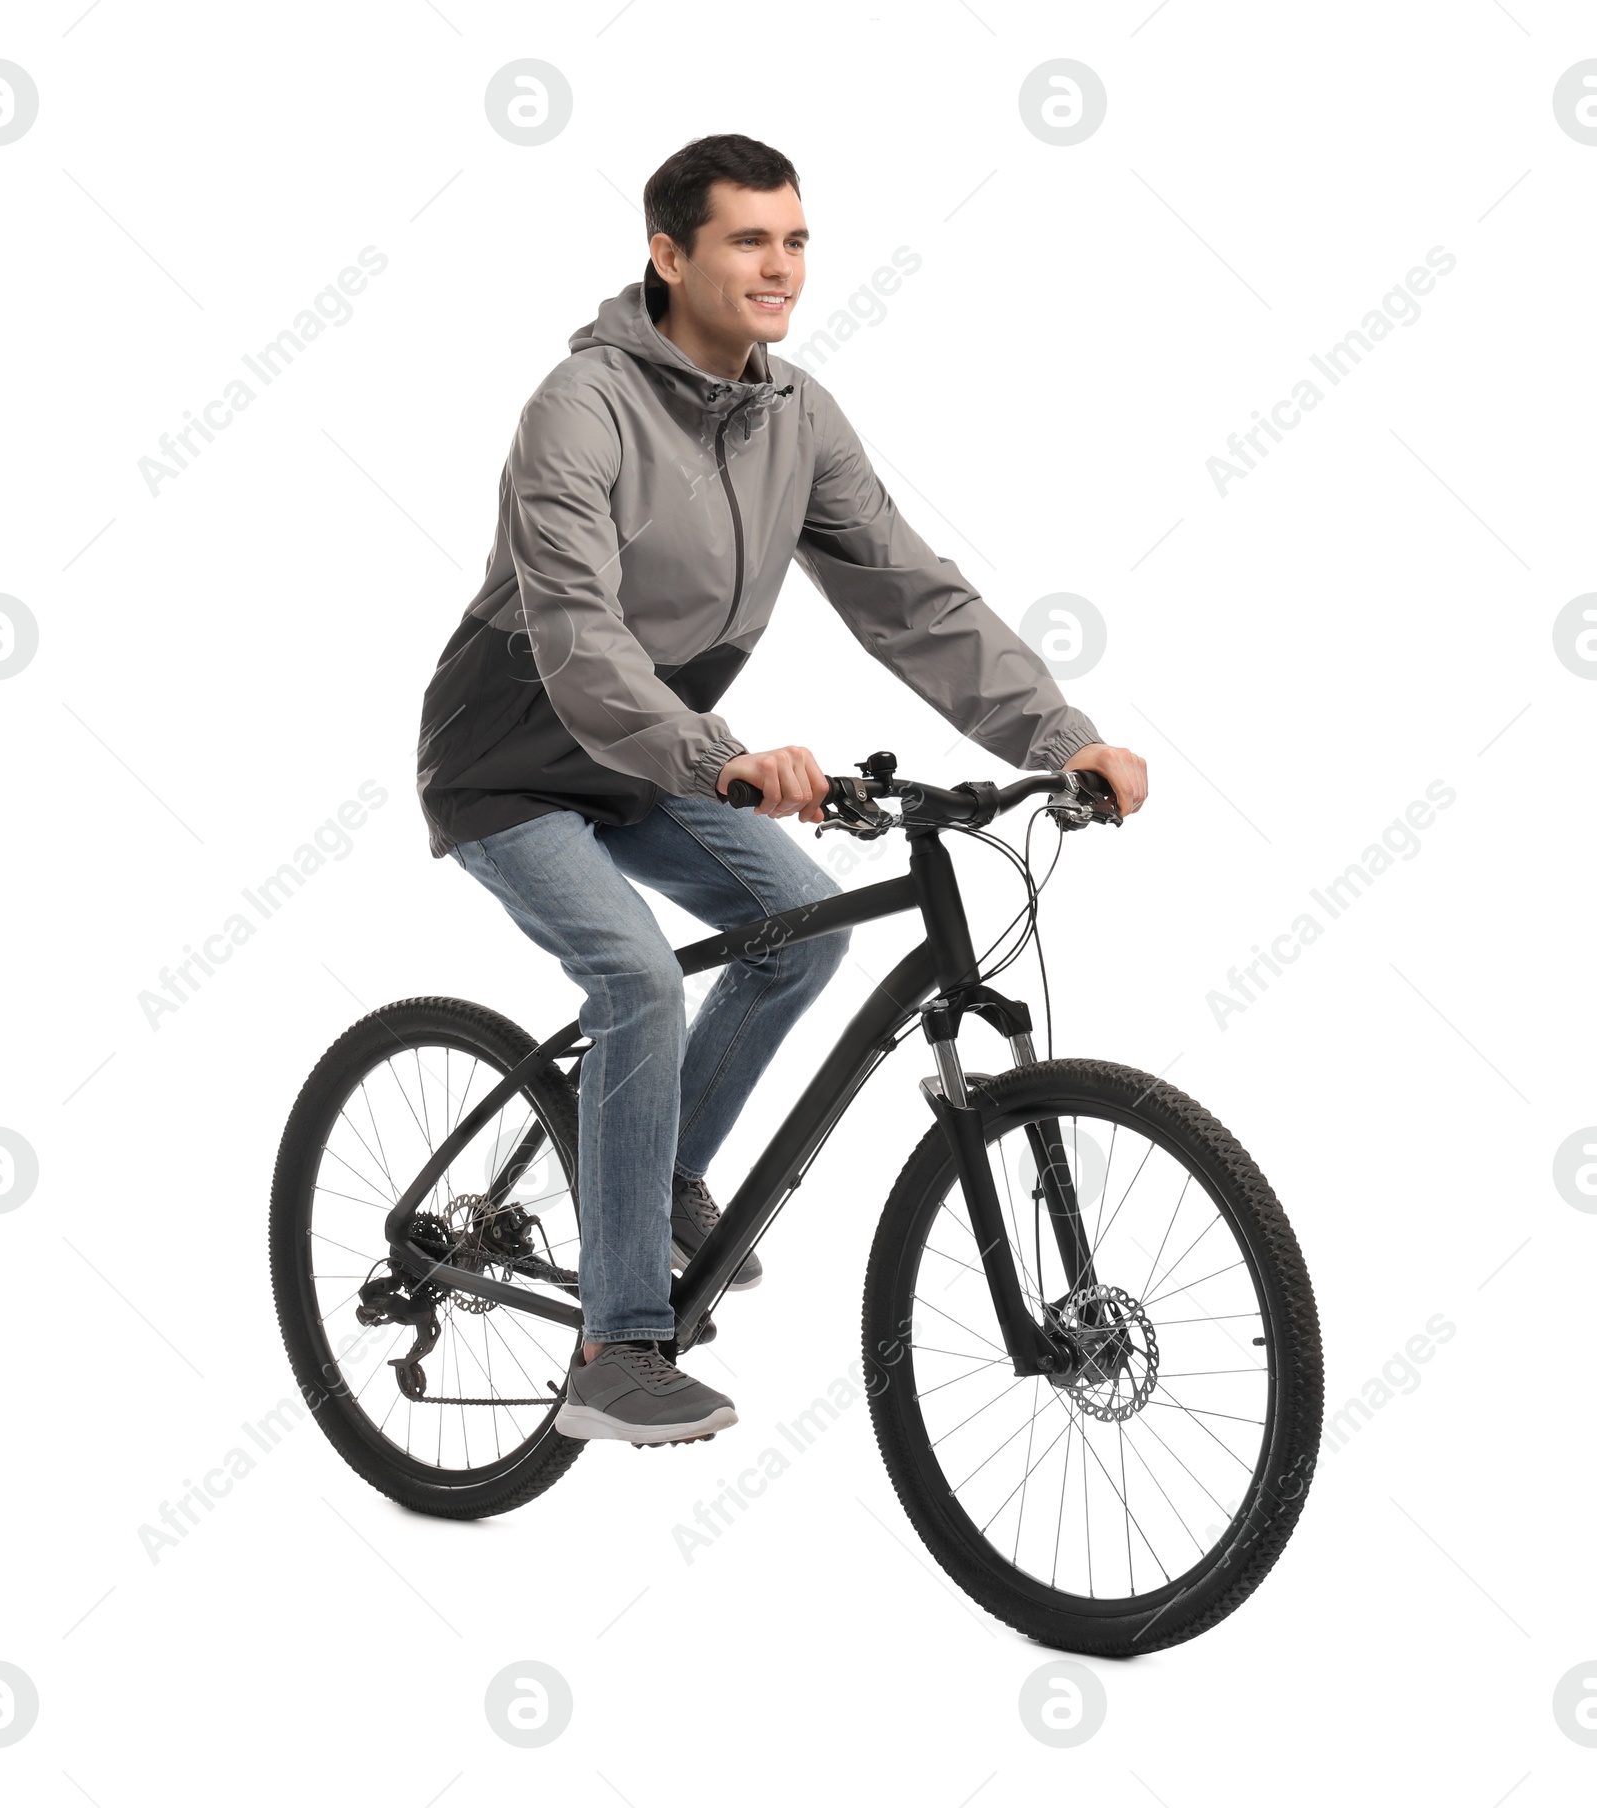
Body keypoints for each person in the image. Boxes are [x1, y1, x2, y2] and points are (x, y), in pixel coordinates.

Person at [415, 133, 1148, 1447]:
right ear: (669, 254)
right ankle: (617, 1347)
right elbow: (580, 641)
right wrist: (723, 758)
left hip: (659, 752)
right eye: (749, 239)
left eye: (797, 239)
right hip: (513, 753)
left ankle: (653, 1176)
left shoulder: (793, 417)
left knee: (795, 934)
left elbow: (915, 598)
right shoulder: (578, 409)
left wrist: (1060, 737)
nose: (781, 266)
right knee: (636, 977)